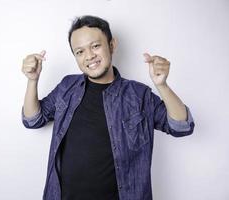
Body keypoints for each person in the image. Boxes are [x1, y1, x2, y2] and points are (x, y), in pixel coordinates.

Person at [21, 15, 195, 200]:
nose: (89, 56)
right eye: (79, 52)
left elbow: (181, 127)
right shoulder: (67, 87)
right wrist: (32, 80)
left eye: (95, 46)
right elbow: (33, 120)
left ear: (111, 45)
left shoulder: (138, 95)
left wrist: (162, 85)